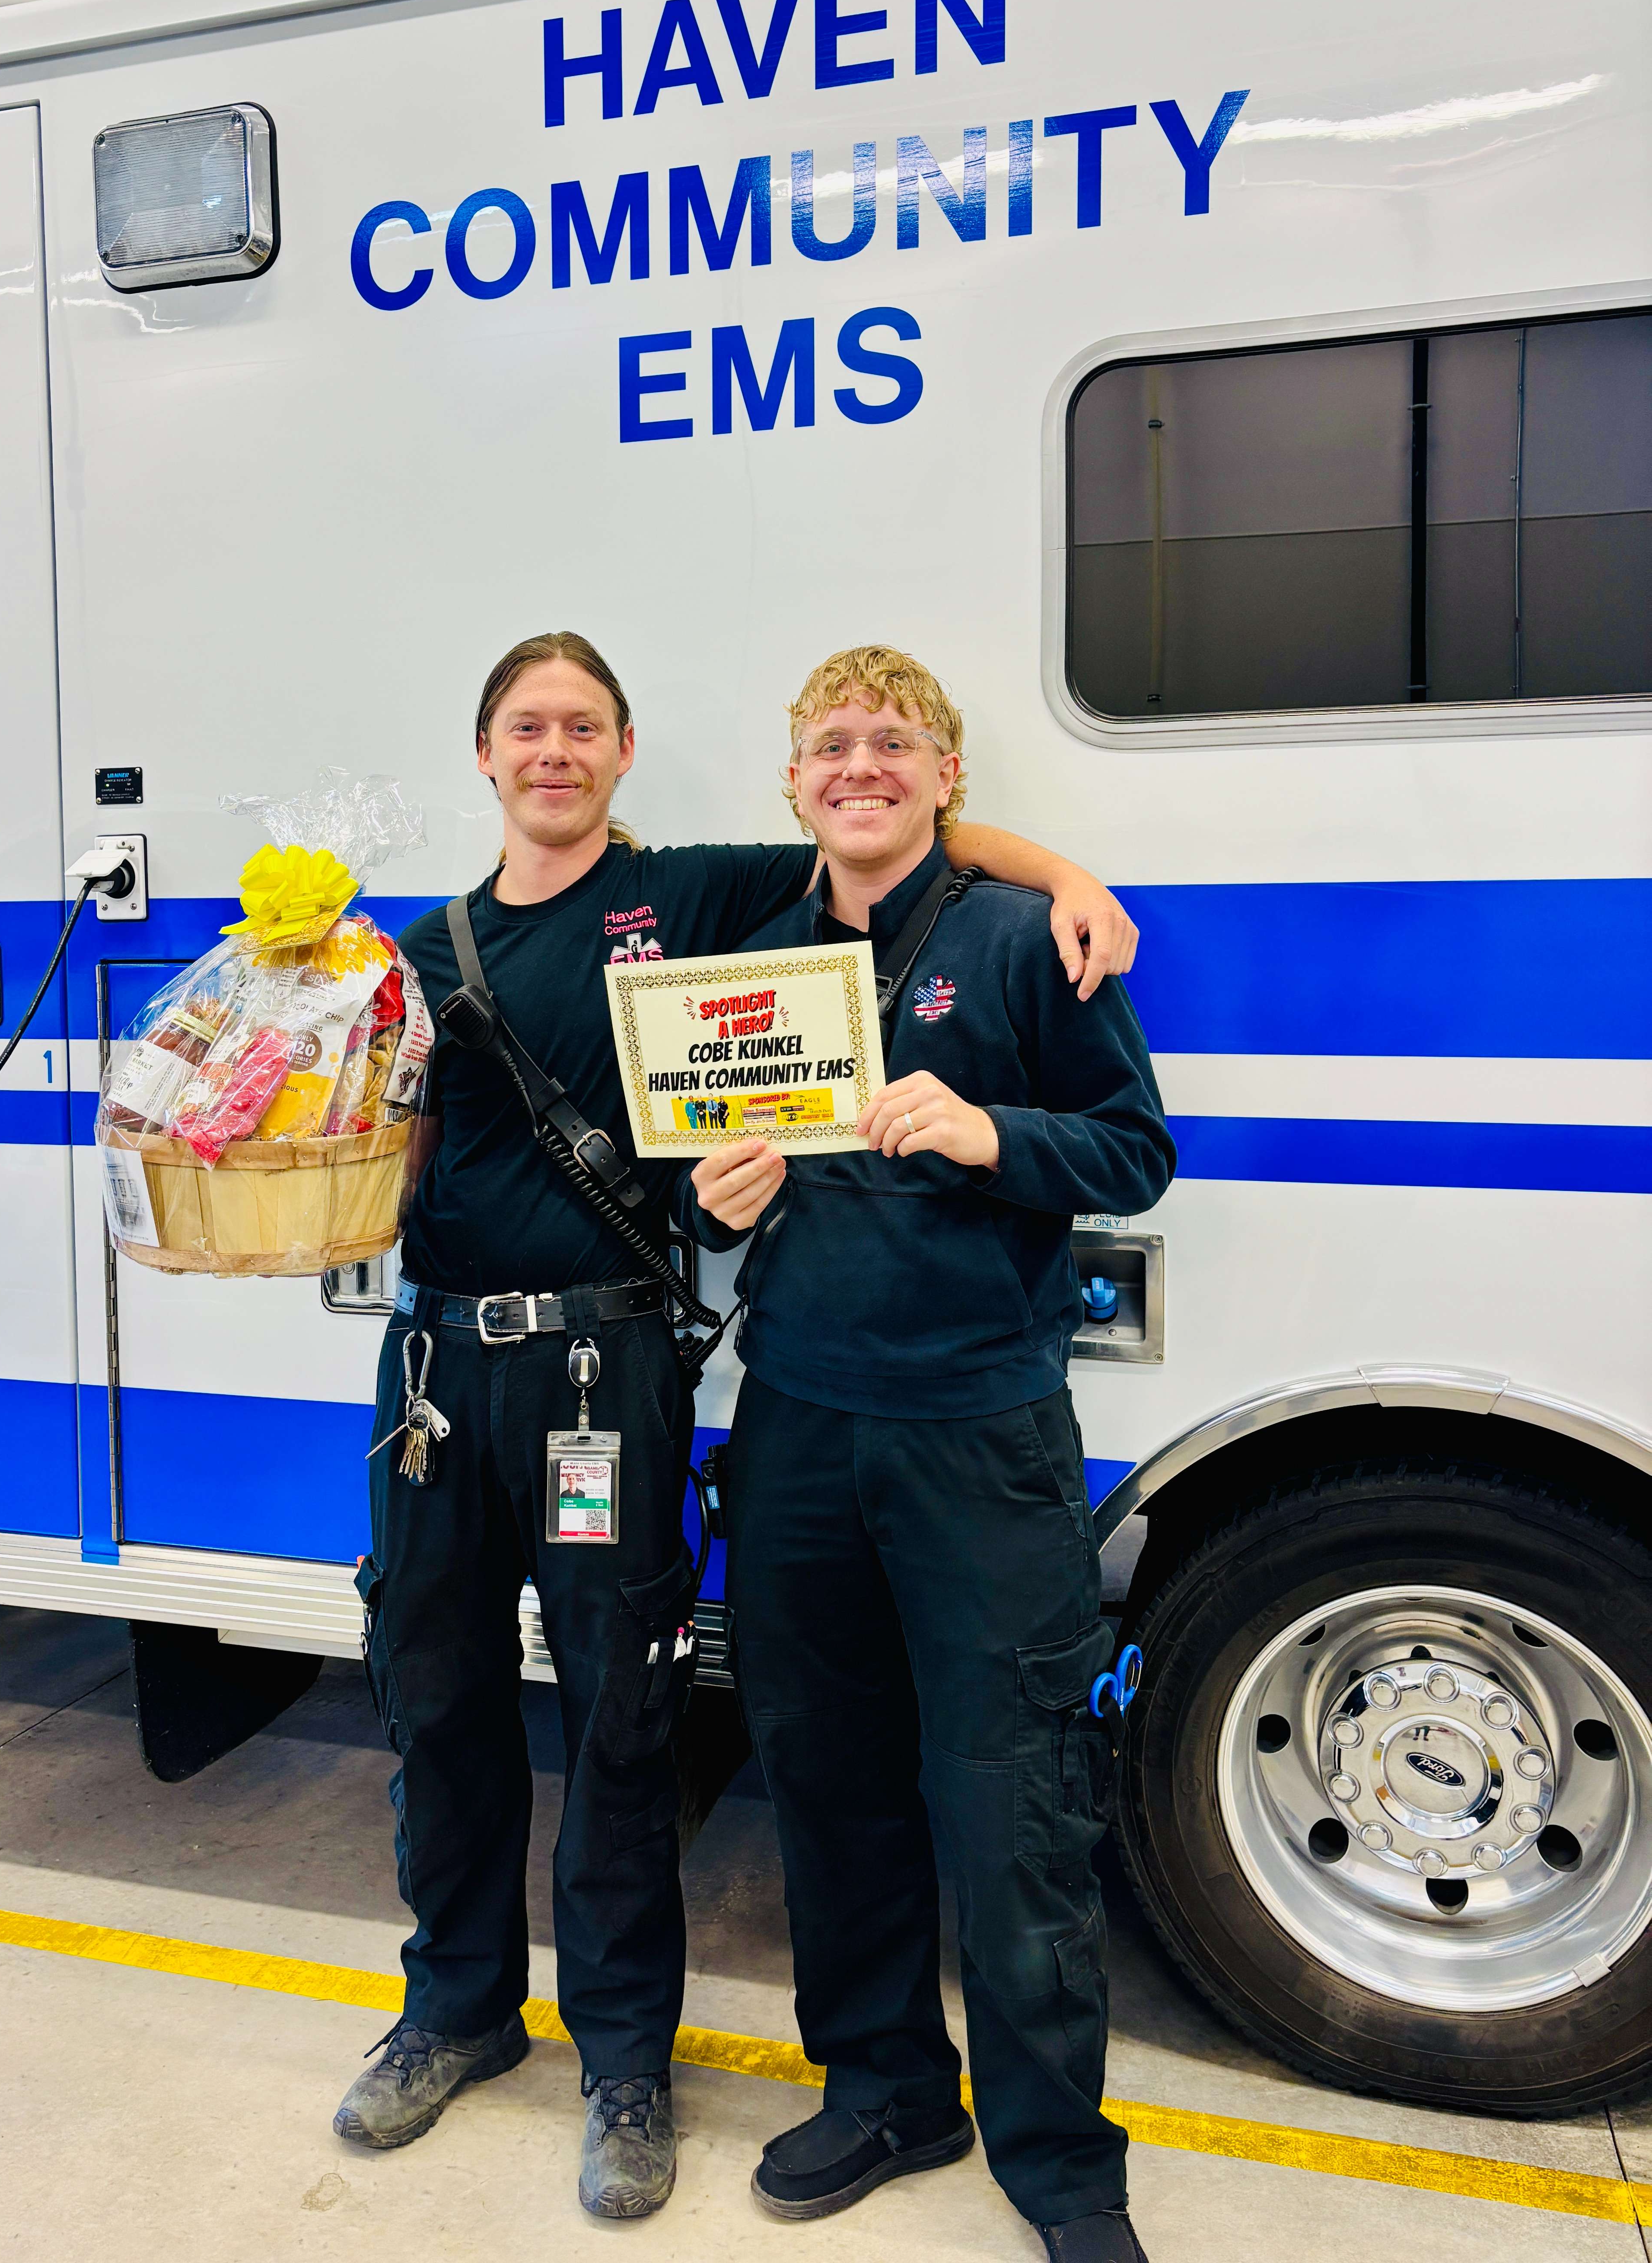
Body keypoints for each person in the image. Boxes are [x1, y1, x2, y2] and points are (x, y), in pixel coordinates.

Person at [331, 629, 1142, 2219]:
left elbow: (1124, 1137)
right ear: (482, 754)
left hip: (803, 1406)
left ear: (625, 756)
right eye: (524, 727)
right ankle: (510, 2022)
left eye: (581, 727)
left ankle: (996, 2153)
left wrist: (1067, 893)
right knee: (697, 1750)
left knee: (912, 1780)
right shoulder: (454, 952)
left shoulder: (721, 907)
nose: (552, 750)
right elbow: (472, 1147)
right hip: (621, 1402)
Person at [678, 646, 1175, 2260]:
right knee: (826, 1779)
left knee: (1013, 1798)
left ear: (946, 777)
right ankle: (889, 2086)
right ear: (795, 782)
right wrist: (718, 1198)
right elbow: (712, 1161)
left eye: (893, 744)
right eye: (830, 745)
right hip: (801, 1423)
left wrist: (991, 1134)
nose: (859, 766)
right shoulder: (750, 966)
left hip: (979, 1432)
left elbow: (1135, 1151)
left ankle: (1059, 2164)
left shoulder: (1024, 944)